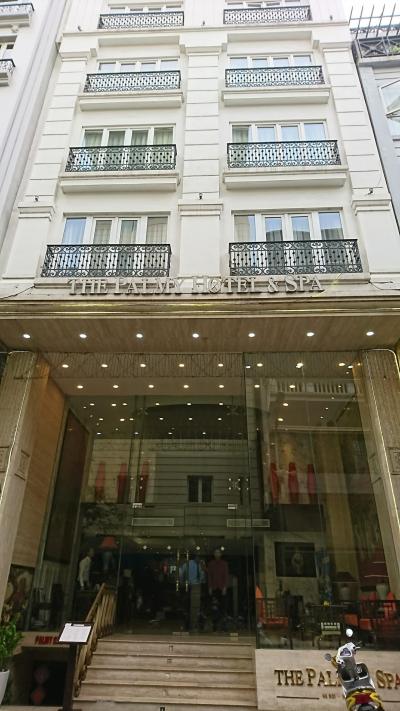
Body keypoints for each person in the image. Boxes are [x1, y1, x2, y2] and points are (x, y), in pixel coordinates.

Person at [207, 549, 229, 631]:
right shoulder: (211, 564)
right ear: (214, 554)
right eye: (215, 552)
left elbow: (226, 576)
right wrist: (210, 587)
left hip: (222, 588)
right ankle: (215, 625)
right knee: (214, 607)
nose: (217, 554)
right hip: (214, 588)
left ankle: (224, 625)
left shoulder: (224, 564)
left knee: (223, 607)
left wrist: (225, 587)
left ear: (221, 554)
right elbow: (209, 576)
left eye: (218, 552)